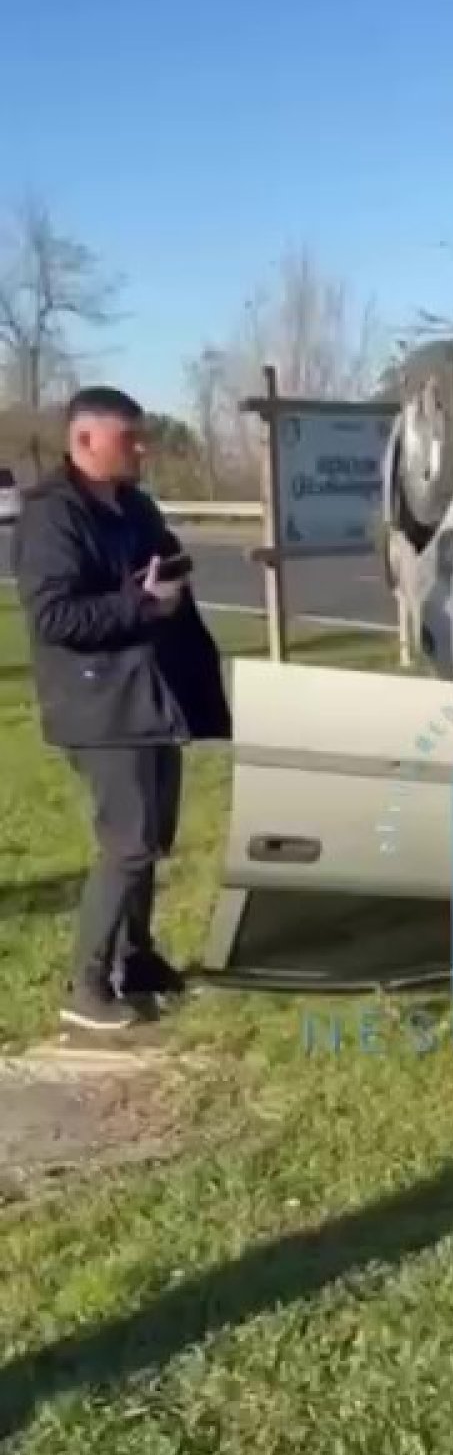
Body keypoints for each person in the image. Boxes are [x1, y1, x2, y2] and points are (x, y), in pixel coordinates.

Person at [14, 386, 231, 1031]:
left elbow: (159, 566)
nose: (141, 449)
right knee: (128, 844)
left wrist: (169, 579)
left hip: (152, 693)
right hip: (99, 703)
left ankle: (136, 961)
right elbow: (55, 616)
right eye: (128, 438)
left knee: (153, 838)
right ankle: (86, 987)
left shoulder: (135, 505)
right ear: (84, 440)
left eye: (141, 437)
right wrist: (139, 602)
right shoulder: (52, 516)